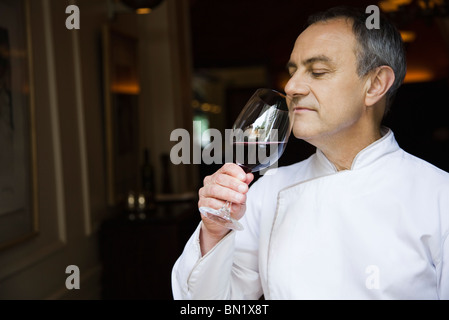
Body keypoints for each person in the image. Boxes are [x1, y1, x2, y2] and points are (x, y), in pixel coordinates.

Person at [171, 6, 449, 299]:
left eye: (317, 71)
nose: (291, 86)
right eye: (292, 72)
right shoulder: (268, 192)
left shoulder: (439, 196)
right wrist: (214, 232)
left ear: (375, 84)